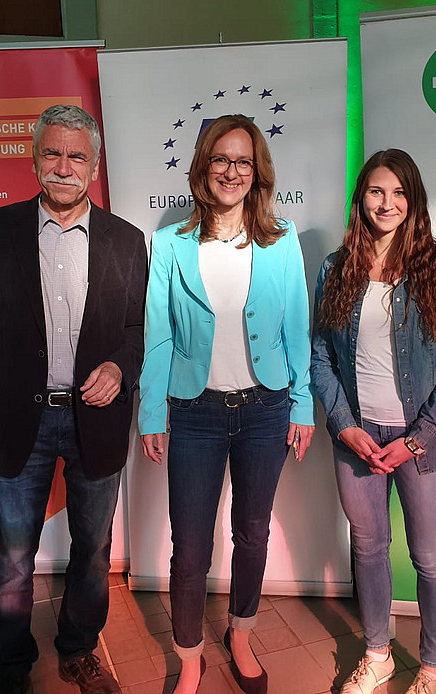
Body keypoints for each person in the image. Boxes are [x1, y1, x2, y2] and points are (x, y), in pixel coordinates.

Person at [0, 105, 147, 694]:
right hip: (21, 421)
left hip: (98, 421)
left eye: (76, 156)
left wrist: (119, 366)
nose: (64, 167)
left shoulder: (127, 240)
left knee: (93, 550)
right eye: (52, 153)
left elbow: (138, 330)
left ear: (94, 166)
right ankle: (12, 666)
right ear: (35, 159)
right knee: (14, 556)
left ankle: (79, 648)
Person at [139, 114, 316, 694]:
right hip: (194, 414)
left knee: (252, 533)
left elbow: (296, 327)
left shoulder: (281, 238)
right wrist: (151, 413)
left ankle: (241, 635)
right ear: (203, 166)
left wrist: (302, 404)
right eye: (221, 158)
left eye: (243, 160)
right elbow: (158, 335)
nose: (232, 171)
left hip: (266, 409)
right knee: (189, 545)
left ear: (257, 170)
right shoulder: (170, 243)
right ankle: (190, 655)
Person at [310, 149, 436, 694]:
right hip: (357, 437)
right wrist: (343, 424)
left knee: (429, 557)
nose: (387, 203)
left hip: (424, 440)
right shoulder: (336, 269)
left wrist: (416, 440)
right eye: (377, 191)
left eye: (399, 192)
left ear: (414, 200)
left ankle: (432, 669)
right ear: (361, 199)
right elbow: (320, 357)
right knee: (368, 549)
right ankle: (377, 654)